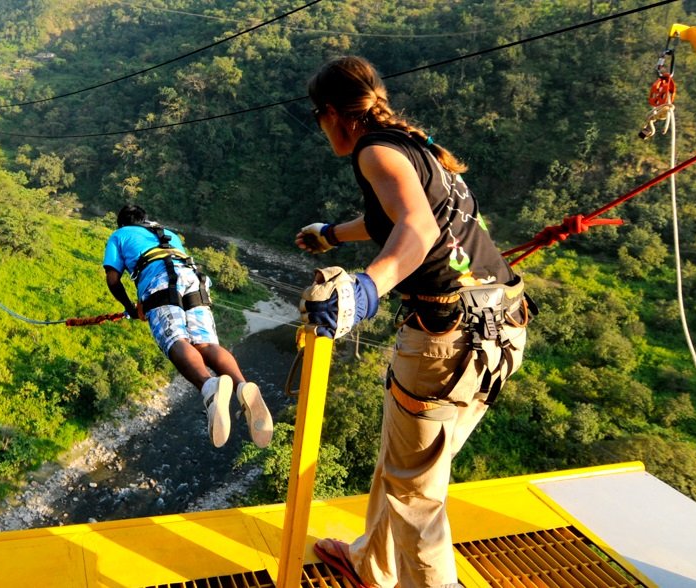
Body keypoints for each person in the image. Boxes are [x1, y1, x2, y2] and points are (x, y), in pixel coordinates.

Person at [296, 56, 531, 588]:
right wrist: (332, 234)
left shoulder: (373, 151)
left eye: (318, 116)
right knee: (405, 467)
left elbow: (417, 229)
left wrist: (364, 289)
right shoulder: (413, 146)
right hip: (502, 325)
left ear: (332, 113)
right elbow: (398, 216)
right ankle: (370, 565)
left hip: (446, 342)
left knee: (415, 495)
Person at [102, 204, 274, 449]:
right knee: (205, 344)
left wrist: (130, 307)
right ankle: (242, 385)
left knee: (176, 341)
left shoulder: (119, 235)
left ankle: (209, 386)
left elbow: (113, 279)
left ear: (121, 223)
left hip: (159, 282)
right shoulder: (167, 232)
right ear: (144, 220)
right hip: (193, 280)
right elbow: (163, 260)